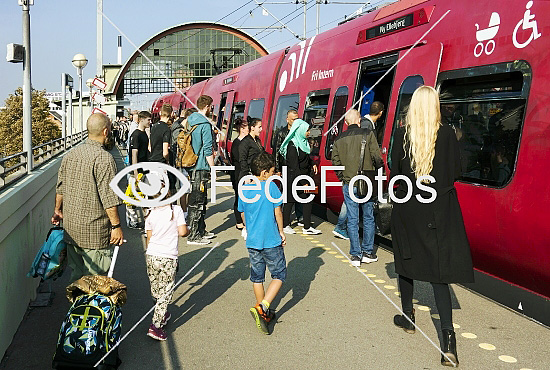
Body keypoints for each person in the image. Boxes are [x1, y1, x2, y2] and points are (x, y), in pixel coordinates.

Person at [390, 86, 474, 367]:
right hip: (439, 209)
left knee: (405, 261)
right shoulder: (448, 133)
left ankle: (408, 317)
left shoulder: (402, 135)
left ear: (413, 107)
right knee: (440, 274)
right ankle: (448, 342)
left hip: (409, 206)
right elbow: (456, 172)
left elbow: (396, 171)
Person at [51, 113, 124, 282]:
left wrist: (57, 210)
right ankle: (91, 308)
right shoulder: (104, 158)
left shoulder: (70, 155)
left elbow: (60, 187)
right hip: (95, 232)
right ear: (106, 132)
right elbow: (109, 198)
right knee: (96, 280)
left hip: (72, 229)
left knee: (76, 278)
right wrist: (116, 226)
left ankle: (77, 306)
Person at [238, 152, 286, 335]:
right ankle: (263, 307)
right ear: (265, 173)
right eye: (273, 172)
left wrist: (249, 226)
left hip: (252, 241)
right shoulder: (271, 187)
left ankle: (263, 312)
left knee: (257, 277)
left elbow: (242, 214)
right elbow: (278, 213)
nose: (274, 175)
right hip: (271, 240)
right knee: (279, 274)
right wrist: (281, 231)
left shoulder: (245, 190)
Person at [331, 109, 382, 267]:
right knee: (368, 217)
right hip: (366, 182)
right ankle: (368, 252)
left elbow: (335, 162)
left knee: (352, 219)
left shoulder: (339, 139)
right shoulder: (368, 134)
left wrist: (343, 178)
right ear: (359, 120)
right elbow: (377, 157)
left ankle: (355, 255)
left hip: (349, 183)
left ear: (346, 123)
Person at [145, 192, 189, 341]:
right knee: (166, 291)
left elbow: (149, 237)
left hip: (152, 255)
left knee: (156, 288)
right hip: (168, 256)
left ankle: (161, 312)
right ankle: (156, 326)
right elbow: (183, 232)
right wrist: (187, 229)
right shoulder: (175, 210)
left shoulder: (150, 212)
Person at [279, 119, 321, 235]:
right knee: (289, 201)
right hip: (293, 178)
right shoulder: (292, 146)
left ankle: (307, 227)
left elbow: (307, 159)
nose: (309, 133)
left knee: (309, 199)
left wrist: (313, 164)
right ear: (300, 130)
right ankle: (285, 225)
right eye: (307, 130)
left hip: (304, 176)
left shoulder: (304, 143)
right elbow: (294, 167)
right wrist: (303, 182)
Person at [187, 95, 215, 245]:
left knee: (197, 199)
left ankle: (201, 230)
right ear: (207, 106)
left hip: (192, 164)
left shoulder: (190, 121)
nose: (212, 109)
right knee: (199, 201)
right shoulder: (205, 124)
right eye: (211, 106)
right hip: (201, 166)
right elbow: (208, 148)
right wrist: (213, 168)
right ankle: (194, 235)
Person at [126, 110, 152, 229]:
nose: (150, 122)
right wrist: (135, 171)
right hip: (136, 171)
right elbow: (134, 154)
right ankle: (132, 221)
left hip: (144, 169)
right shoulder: (136, 135)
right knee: (132, 196)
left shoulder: (144, 134)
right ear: (141, 120)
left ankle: (143, 219)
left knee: (142, 195)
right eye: (148, 120)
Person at [171, 108, 197, 212]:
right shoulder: (179, 130)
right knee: (184, 189)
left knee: (188, 189)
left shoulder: (181, 128)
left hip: (187, 162)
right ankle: (184, 212)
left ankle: (187, 211)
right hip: (183, 163)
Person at [230, 118, 249, 230]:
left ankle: (242, 220)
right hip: (238, 174)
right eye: (247, 128)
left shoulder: (242, 142)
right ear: (242, 129)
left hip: (240, 173)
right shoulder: (237, 144)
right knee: (239, 197)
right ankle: (238, 221)